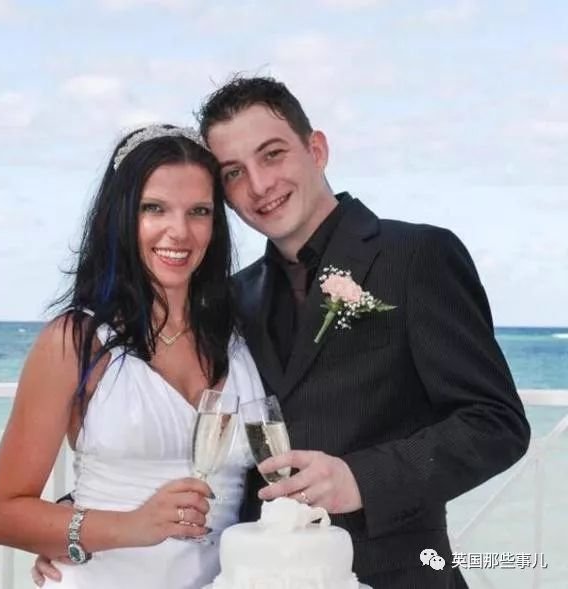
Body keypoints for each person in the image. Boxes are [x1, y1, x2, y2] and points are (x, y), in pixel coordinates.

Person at [195, 76, 530, 588]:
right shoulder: (235, 297)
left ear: (317, 149)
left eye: (273, 154)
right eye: (234, 173)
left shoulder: (417, 256)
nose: (259, 185)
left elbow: (496, 423)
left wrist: (360, 479)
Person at [0, 124, 265, 589]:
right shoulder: (74, 341)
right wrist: (128, 526)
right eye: (154, 208)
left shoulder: (239, 336)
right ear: (121, 217)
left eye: (199, 211)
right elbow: (3, 515)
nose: (180, 231)